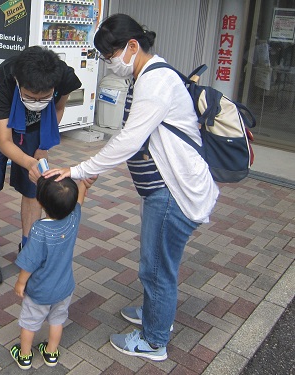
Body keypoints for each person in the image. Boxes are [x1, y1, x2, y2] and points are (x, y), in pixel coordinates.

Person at [45, 13, 219, 361]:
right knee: (157, 264)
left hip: (172, 192)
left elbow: (128, 141)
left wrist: (80, 170)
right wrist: (90, 172)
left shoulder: (154, 83)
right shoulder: (148, 76)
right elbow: (137, 145)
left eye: (110, 56)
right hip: (163, 190)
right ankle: (156, 314)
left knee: (155, 268)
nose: (109, 64)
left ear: (132, 46)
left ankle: (154, 340)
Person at [0, 46, 82, 285]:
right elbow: (4, 141)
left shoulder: (63, 77)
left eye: (43, 97)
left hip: (37, 129)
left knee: (33, 189)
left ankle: (29, 246)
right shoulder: (2, 82)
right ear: (18, 82)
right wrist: (29, 162)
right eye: (31, 97)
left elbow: (58, 107)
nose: (36, 102)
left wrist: (44, 146)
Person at [10, 175, 92, 370]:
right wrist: (84, 184)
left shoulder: (39, 230)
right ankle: (51, 352)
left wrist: (21, 283)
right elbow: (79, 200)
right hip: (64, 287)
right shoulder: (73, 219)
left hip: (40, 290)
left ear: (40, 202)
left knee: (29, 322)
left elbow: (29, 262)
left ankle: (25, 355)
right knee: (57, 320)